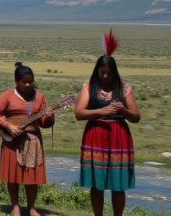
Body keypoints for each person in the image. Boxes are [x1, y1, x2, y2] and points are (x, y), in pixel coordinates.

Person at [76, 30, 140, 216]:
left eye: (108, 73)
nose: (105, 77)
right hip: (95, 135)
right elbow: (79, 113)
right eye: (102, 73)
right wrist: (102, 111)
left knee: (117, 183)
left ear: (114, 72)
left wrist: (123, 111)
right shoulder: (89, 87)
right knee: (97, 183)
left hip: (119, 137)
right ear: (97, 71)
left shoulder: (123, 88)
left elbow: (136, 116)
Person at [0, 62, 55, 216]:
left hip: (33, 140)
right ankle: (15, 207)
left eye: (30, 81)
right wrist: (9, 126)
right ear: (16, 81)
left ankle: (32, 208)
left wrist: (50, 117)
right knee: (13, 174)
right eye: (23, 82)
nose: (27, 84)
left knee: (31, 175)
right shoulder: (7, 95)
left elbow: (44, 123)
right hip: (12, 140)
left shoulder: (39, 97)